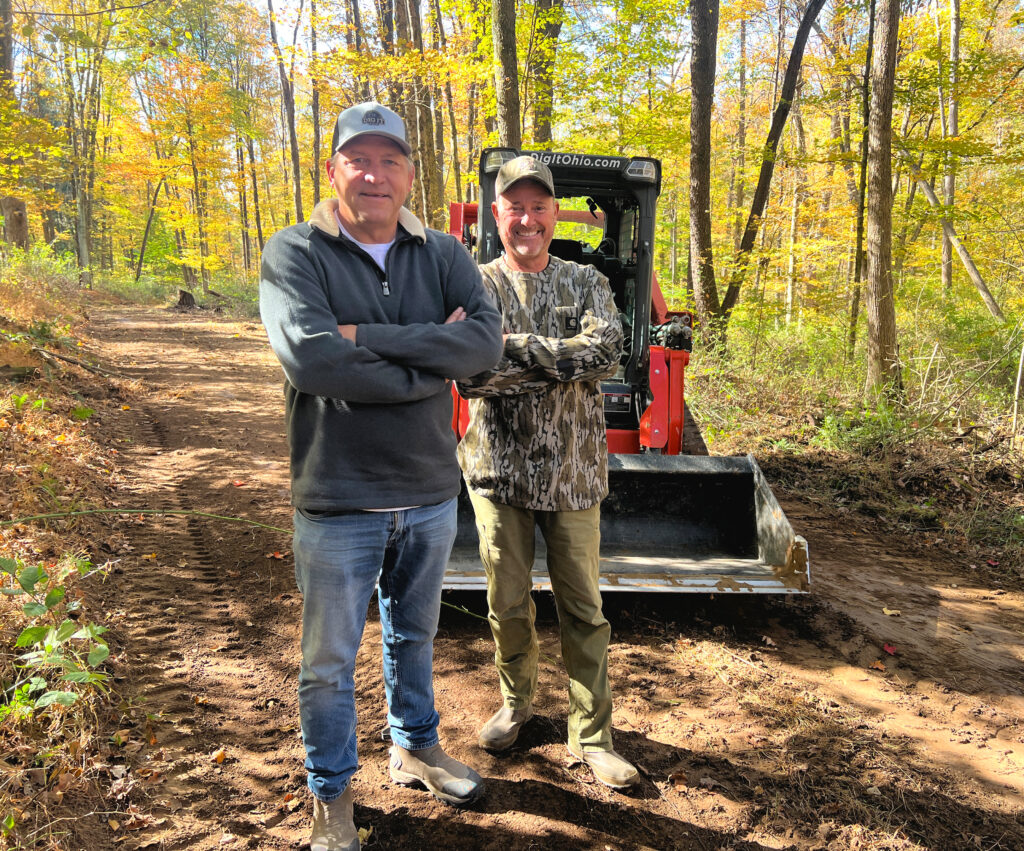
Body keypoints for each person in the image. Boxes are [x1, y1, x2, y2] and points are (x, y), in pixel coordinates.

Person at [260, 102, 503, 851]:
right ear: (333, 170)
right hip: (339, 499)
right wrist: (431, 365)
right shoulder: (293, 252)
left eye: (389, 160)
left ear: (407, 173)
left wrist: (368, 339)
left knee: (415, 634)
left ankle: (415, 747)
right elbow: (311, 358)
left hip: (430, 493)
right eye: (358, 160)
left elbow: (485, 347)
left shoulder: (443, 252)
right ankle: (331, 795)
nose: (374, 174)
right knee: (328, 662)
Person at [456, 156, 639, 790]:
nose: (527, 219)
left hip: (574, 476)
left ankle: (593, 735)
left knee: (583, 610)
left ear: (554, 212)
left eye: (539, 206)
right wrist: (561, 362)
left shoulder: (588, 281)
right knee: (506, 603)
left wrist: (511, 346)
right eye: (515, 207)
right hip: (498, 472)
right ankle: (517, 704)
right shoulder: (475, 286)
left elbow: (608, 351)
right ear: (497, 214)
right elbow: (469, 375)